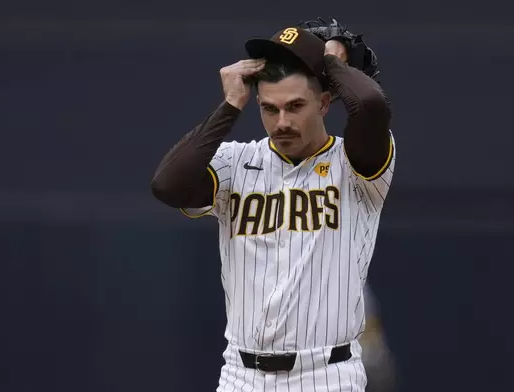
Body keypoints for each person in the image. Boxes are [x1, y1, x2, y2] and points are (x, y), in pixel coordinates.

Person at [150, 20, 396, 392]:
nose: (282, 122)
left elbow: (370, 104)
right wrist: (230, 106)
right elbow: (168, 185)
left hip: (326, 374)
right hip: (241, 374)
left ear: (325, 102)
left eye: (295, 106)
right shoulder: (235, 162)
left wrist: (330, 64)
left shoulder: (355, 165)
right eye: (270, 109)